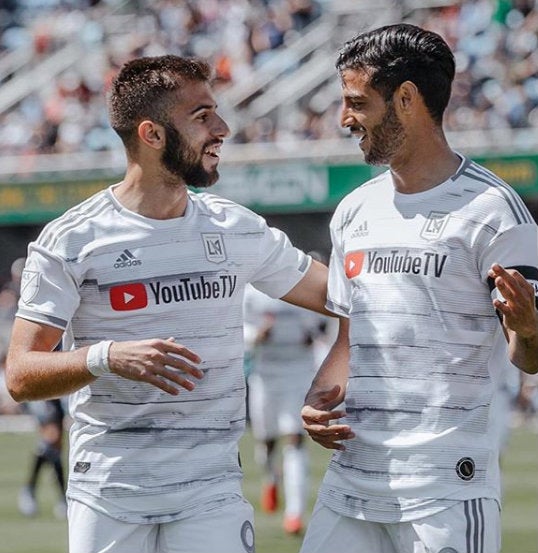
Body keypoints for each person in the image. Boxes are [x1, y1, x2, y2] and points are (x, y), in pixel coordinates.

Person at [5, 55, 338, 553]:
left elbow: (341, 297)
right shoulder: (72, 239)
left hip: (213, 491)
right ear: (153, 135)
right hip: (110, 492)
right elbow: (21, 374)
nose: (222, 129)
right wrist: (108, 357)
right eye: (202, 116)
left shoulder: (236, 228)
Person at [300, 23, 538, 553]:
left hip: (444, 486)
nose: (345, 119)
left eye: (357, 103)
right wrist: (321, 396)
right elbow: (348, 337)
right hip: (351, 483)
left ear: (406, 99)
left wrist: (528, 327)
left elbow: (530, 358)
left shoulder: (494, 211)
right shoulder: (353, 211)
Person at [243, 283, 327, 535]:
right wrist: (257, 335)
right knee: (267, 441)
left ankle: (295, 514)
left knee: (295, 439)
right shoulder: (252, 292)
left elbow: (323, 321)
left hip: (298, 373)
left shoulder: (305, 286)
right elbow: (239, 328)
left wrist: (312, 334)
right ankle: (271, 477)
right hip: (265, 375)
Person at [18, 397, 68, 519]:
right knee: (50, 448)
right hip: (40, 397)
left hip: (54, 398)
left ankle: (30, 491)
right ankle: (31, 492)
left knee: (49, 450)